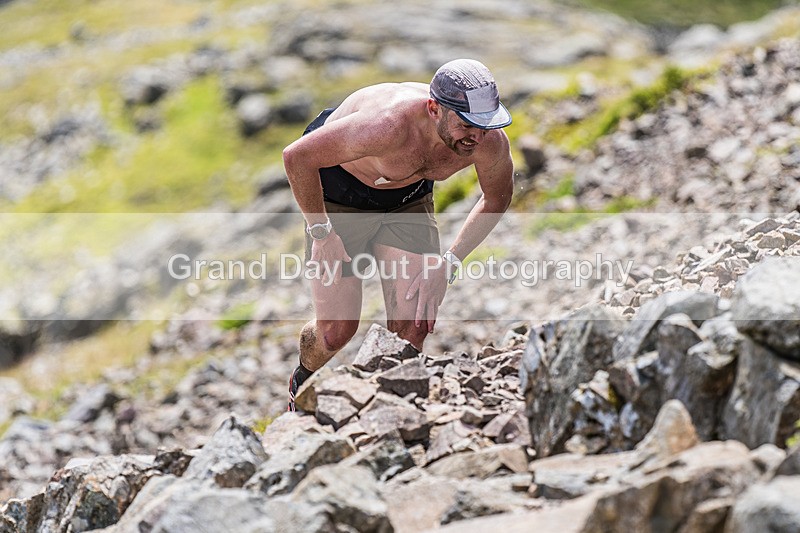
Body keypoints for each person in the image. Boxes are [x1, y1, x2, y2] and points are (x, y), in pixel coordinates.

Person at [282, 58, 514, 411]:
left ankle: (386, 411)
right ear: (435, 109)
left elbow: (497, 196)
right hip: (338, 193)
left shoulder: (487, 141)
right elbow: (297, 157)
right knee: (335, 333)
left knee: (415, 322)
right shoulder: (386, 125)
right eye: (467, 124)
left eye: (485, 125)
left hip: (407, 198)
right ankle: (303, 380)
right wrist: (321, 232)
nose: (476, 137)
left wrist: (449, 262)